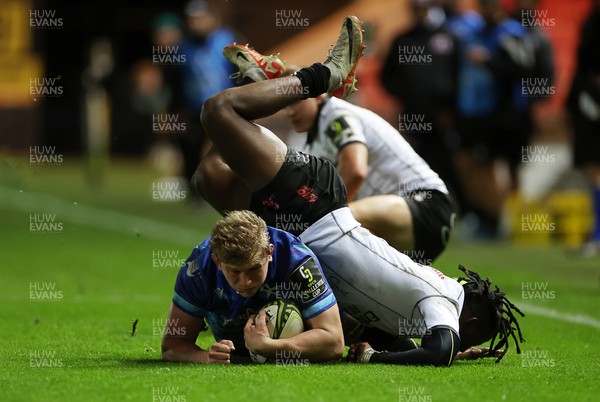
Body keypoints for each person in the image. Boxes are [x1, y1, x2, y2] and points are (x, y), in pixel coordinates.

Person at [194, 15, 525, 366]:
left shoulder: (409, 310)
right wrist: (374, 358)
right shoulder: (444, 299)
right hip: (316, 210)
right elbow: (439, 351)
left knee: (208, 175)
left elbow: (403, 342)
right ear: (468, 323)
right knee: (217, 111)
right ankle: (326, 75)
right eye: (463, 335)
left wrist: (411, 349)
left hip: (300, 231)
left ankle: (258, 86)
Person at [161, 210, 344, 364]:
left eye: (254, 268)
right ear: (217, 261)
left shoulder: (296, 261)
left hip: (296, 352)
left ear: (269, 252)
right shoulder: (198, 268)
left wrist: (266, 347)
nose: (245, 282)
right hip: (237, 354)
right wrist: (206, 357)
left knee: (351, 324)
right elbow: (173, 346)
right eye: (234, 272)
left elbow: (334, 342)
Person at [567, 0, 600, 257]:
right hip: (587, 100)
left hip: (591, 100)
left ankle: (597, 236)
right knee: (592, 172)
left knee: (594, 171)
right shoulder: (592, 18)